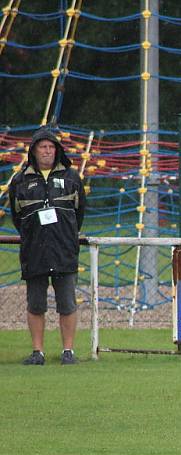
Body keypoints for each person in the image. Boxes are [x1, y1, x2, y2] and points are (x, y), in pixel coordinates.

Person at [9, 127, 86, 365]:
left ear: (57, 150)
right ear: (33, 150)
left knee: (67, 303)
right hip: (34, 253)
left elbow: (79, 213)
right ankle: (37, 352)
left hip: (64, 251)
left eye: (51, 147)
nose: (47, 151)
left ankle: (68, 351)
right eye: (43, 147)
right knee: (36, 304)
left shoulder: (72, 178)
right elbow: (16, 217)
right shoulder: (20, 181)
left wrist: (67, 237)